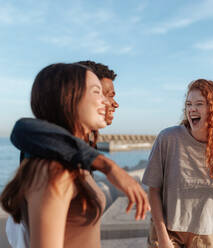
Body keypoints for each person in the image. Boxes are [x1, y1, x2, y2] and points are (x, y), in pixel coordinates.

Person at [10, 61, 149, 220]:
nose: (113, 103)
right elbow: (22, 129)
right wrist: (107, 165)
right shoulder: (51, 155)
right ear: (74, 95)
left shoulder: (81, 147)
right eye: (102, 93)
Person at [1, 63, 112, 247]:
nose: (106, 102)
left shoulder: (73, 162)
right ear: (69, 98)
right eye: (96, 92)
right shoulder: (54, 171)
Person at [142, 79, 213, 248]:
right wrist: (162, 238)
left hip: (207, 235)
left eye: (199, 104)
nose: (192, 109)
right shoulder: (168, 139)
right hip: (167, 232)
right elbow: (153, 190)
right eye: (189, 104)